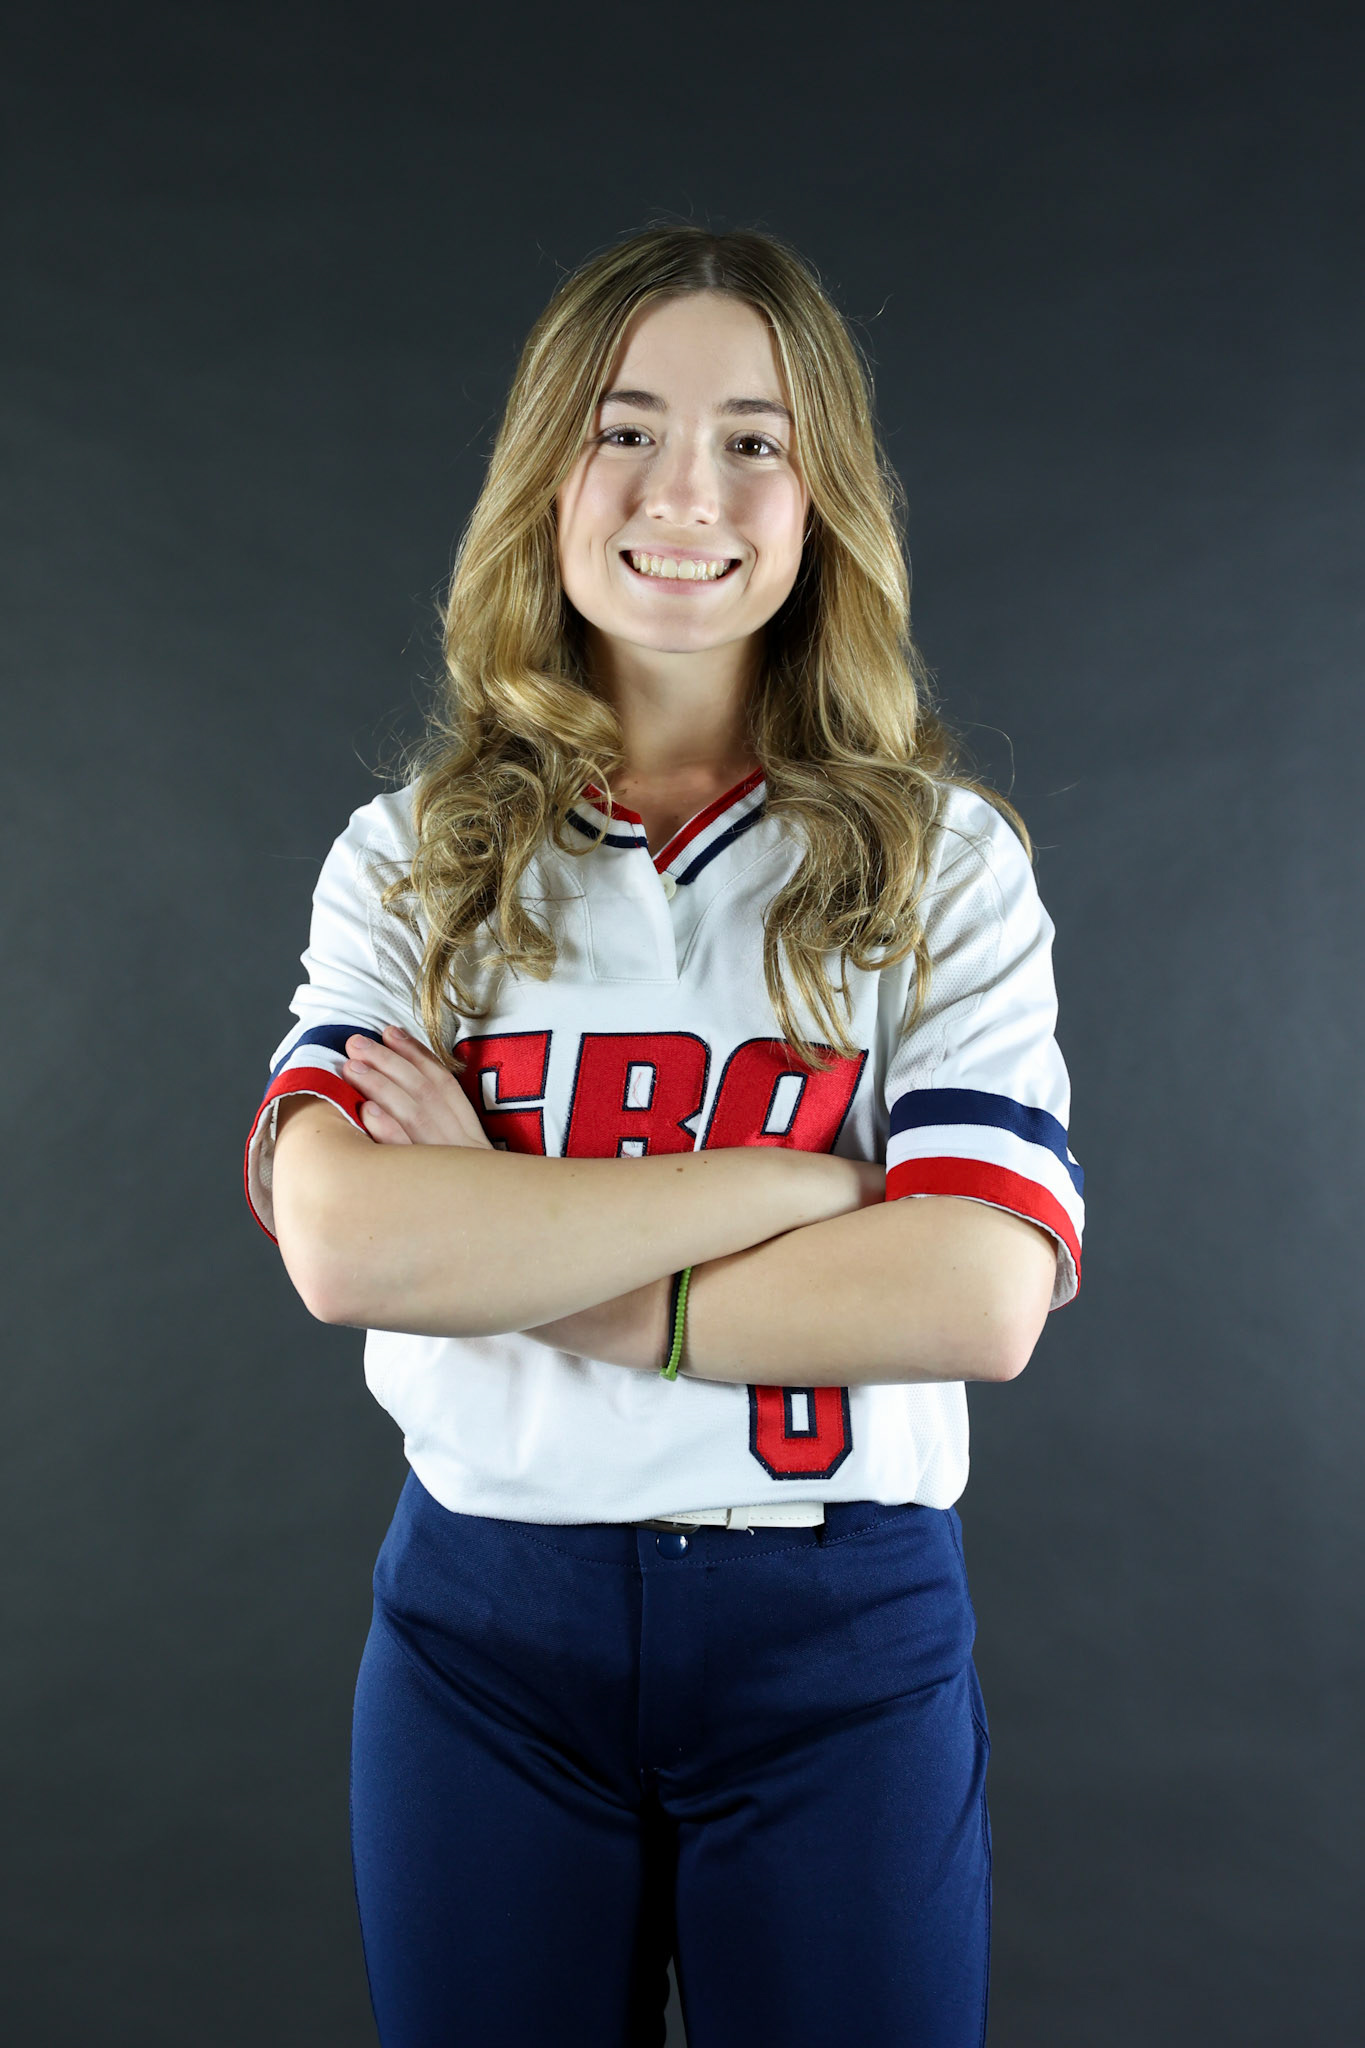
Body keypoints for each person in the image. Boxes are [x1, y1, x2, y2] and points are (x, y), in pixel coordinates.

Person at [244, 225, 1084, 2048]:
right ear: (546, 472)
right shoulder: (414, 852)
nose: (682, 488)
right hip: (486, 1630)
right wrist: (803, 1189)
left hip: (838, 1634)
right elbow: (346, 1246)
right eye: (624, 428)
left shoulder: (945, 860)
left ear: (821, 495)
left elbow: (978, 1290)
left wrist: (532, 1240)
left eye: (752, 439)